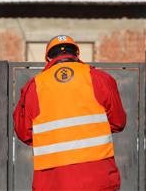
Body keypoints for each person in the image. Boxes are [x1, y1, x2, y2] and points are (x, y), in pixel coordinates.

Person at [13, 35, 126, 191]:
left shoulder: (34, 86)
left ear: (48, 58)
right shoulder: (99, 78)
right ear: (77, 55)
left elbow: (23, 132)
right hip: (98, 178)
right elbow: (118, 122)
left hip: (52, 181)